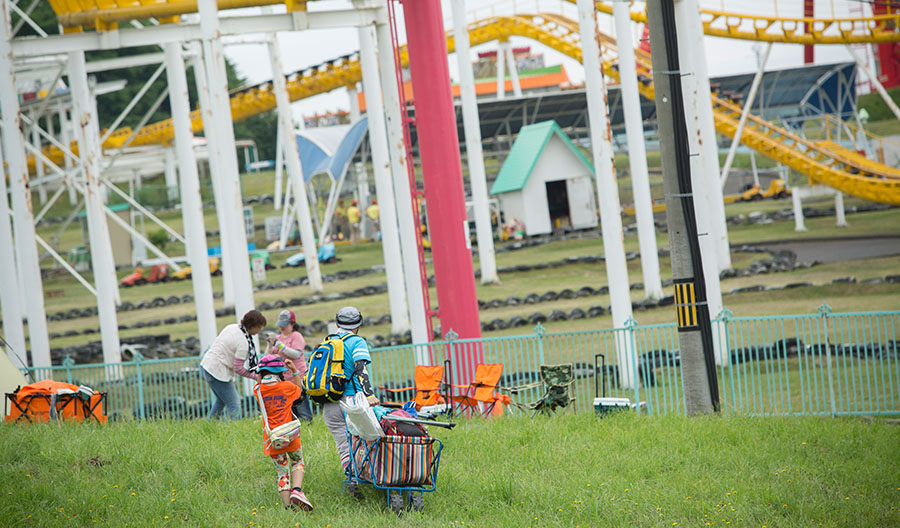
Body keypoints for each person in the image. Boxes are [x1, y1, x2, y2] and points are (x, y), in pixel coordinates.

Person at [321, 306, 379, 497]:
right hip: (353, 402)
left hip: (329, 402)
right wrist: (369, 395)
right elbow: (360, 368)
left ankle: (351, 476)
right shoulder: (357, 341)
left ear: (337, 323)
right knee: (366, 440)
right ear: (358, 325)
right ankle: (371, 477)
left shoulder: (327, 341)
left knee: (343, 444)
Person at [254, 354, 313, 512]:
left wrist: (259, 374)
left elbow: (258, 383)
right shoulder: (287, 387)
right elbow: (300, 391)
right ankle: (297, 491)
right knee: (297, 463)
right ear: (279, 372)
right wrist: (294, 371)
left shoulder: (258, 391)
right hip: (291, 436)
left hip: (273, 439)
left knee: (282, 472)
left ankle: (288, 508)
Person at [199, 310, 267, 420]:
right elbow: (238, 368)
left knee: (221, 401)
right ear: (252, 326)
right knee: (234, 403)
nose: (259, 330)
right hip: (217, 371)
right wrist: (255, 376)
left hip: (206, 365)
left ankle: (210, 425)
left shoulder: (232, 327)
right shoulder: (243, 343)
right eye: (259, 327)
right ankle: (233, 427)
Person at [268, 309, 313, 422]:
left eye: (285, 325)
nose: (281, 327)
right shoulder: (278, 338)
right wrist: (269, 345)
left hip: (297, 379)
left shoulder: (296, 336)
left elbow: (296, 354)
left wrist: (280, 346)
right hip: (283, 381)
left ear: (292, 324)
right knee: (289, 412)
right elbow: (268, 356)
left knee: (302, 410)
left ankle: (307, 426)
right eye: (280, 325)